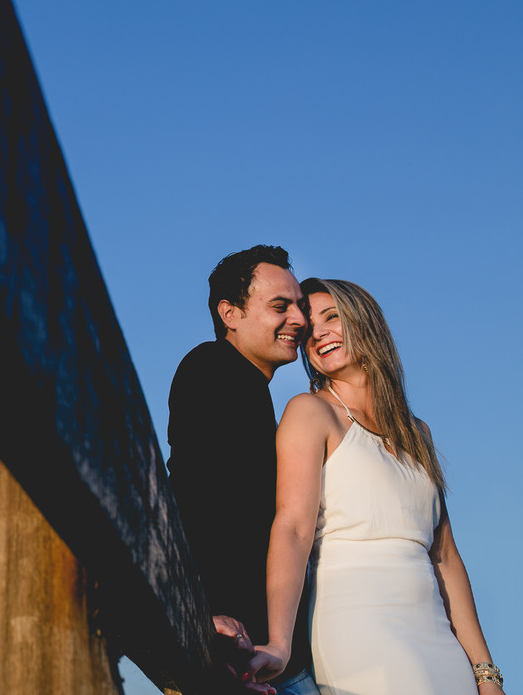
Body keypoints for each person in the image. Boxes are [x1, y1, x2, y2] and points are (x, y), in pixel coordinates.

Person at [253, 278, 504, 694]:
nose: (319, 333)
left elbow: (445, 558)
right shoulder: (311, 412)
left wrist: (485, 672)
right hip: (359, 624)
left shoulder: (418, 433)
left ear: (364, 322)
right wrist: (280, 642)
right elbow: (293, 527)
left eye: (332, 317)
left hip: (439, 638)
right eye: (310, 327)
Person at [166, 245, 317, 695]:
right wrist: (203, 618)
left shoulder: (249, 388)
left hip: (259, 654)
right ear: (230, 313)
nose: (299, 319)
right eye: (280, 306)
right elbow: (196, 500)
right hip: (247, 655)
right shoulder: (214, 370)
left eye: (300, 307)